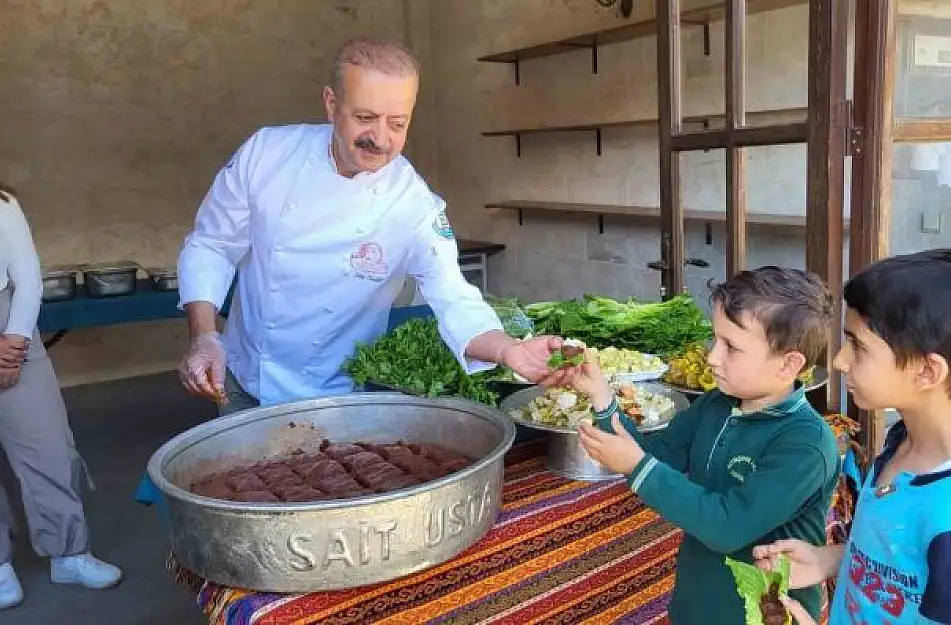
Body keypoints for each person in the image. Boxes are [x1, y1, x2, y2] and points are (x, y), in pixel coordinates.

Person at [176, 38, 567, 412]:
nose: (379, 139)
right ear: (331, 104)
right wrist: (206, 337)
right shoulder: (265, 155)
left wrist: (507, 349)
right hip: (246, 381)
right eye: (365, 118)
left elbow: (454, 296)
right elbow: (212, 244)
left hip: (348, 396)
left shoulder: (412, 204)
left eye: (397, 124)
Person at [754, 248, 951, 625]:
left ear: (928, 372)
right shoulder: (904, 442)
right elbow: (898, 561)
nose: (839, 360)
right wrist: (826, 559)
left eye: (858, 346)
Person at [569, 266, 840, 624]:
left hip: (760, 614)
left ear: (788, 364)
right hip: (696, 605)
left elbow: (727, 526)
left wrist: (636, 467)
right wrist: (603, 399)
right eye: (716, 339)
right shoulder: (716, 405)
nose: (713, 356)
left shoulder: (805, 444)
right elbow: (656, 457)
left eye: (732, 347)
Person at [0, 185, 123, 608]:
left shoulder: (3, 203)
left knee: (46, 444)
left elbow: (28, 277)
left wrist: (14, 343)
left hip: (9, 319)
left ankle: (69, 553)